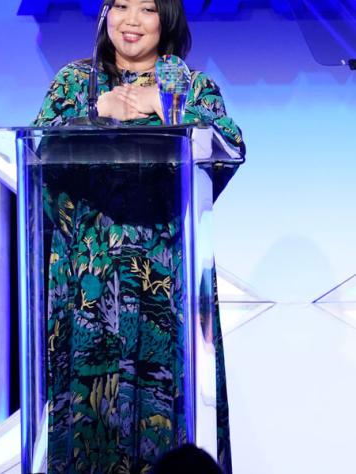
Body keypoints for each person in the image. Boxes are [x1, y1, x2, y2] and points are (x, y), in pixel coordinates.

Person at [33, 1, 244, 473]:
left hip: (165, 276)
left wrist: (167, 107)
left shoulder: (190, 85)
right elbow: (39, 151)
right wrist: (93, 112)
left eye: (146, 9)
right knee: (92, 415)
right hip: (90, 279)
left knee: (166, 419)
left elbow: (230, 145)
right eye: (120, 6)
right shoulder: (74, 83)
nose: (131, 21)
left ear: (166, 19)